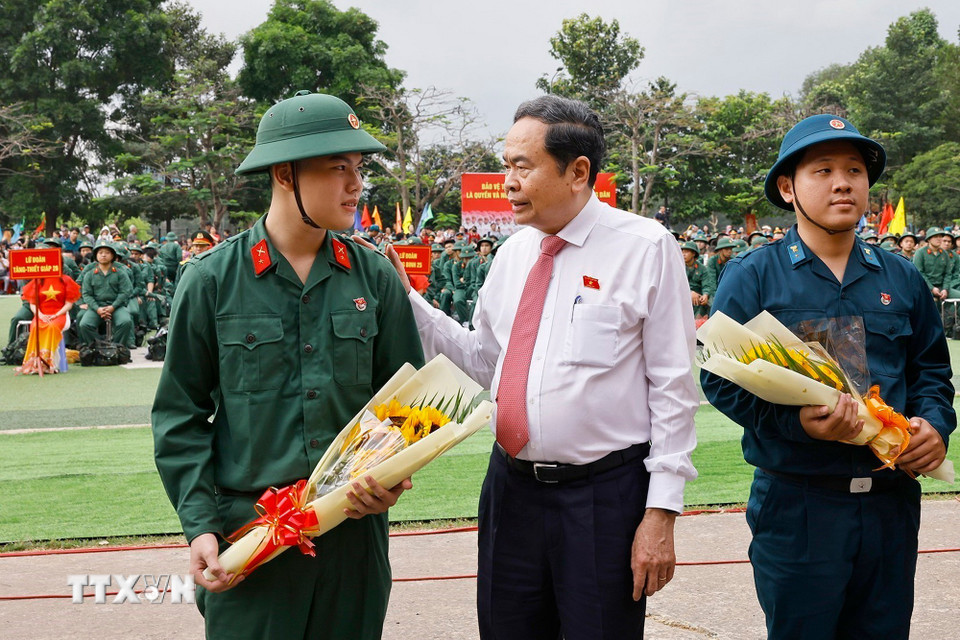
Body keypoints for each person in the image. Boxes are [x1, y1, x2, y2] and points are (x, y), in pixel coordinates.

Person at [362, 95, 698, 639]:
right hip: (511, 491)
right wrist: (407, 299)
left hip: (604, 498)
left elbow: (674, 388)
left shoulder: (645, 247)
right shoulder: (514, 253)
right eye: (505, 166)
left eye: (522, 166)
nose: (507, 181)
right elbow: (483, 362)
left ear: (577, 171)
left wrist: (661, 513)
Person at [151, 90, 424, 640]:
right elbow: (180, 416)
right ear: (284, 175)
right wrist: (200, 528)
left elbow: (406, 411)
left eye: (359, 168)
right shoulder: (211, 281)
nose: (355, 184)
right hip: (250, 537)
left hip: (352, 537)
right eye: (337, 167)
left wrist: (394, 480)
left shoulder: (373, 279)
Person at [701, 114, 955, 639]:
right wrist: (799, 425)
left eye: (855, 170)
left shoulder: (901, 277)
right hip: (799, 506)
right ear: (788, 188)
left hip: (890, 503)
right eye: (823, 170)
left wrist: (934, 425)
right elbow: (721, 379)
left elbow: (931, 370)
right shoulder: (753, 276)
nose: (843, 182)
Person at [15, 274, 81, 374]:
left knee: (52, 326)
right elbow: (32, 304)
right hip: (41, 314)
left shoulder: (66, 280)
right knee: (36, 326)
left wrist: (56, 315)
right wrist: (40, 315)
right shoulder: (37, 280)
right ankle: (35, 362)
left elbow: (69, 304)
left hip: (60, 315)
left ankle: (50, 362)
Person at [78, 240, 134, 349]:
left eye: (107, 253)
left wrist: (113, 307)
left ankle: (118, 347)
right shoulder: (90, 274)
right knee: (84, 325)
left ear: (112, 255)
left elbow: (125, 291)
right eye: (100, 253)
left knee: (125, 322)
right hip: (96, 307)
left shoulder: (120, 272)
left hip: (116, 306)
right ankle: (97, 346)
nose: (103, 255)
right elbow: (87, 294)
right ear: (96, 256)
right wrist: (97, 309)